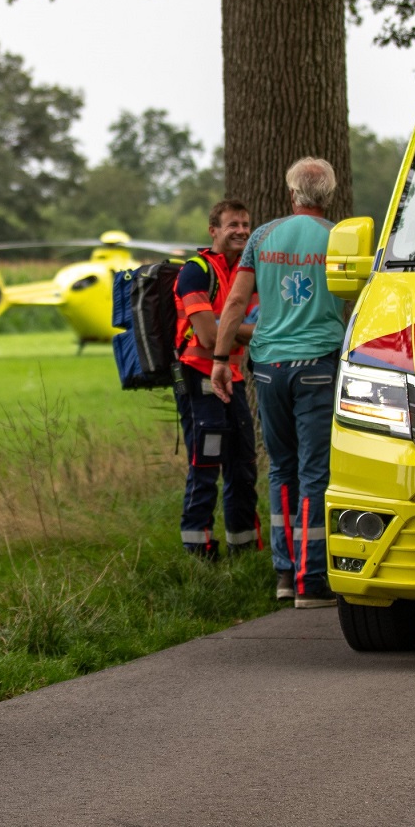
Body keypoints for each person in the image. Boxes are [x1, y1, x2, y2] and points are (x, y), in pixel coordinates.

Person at [211, 158, 346, 608]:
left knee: (282, 470)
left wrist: (219, 360)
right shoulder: (338, 238)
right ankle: (313, 580)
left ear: (291, 194)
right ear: (328, 195)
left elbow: (234, 302)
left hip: (267, 367)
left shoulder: (262, 237)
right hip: (316, 367)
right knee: (315, 472)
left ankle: (284, 575)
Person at [172, 199, 259, 559]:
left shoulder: (247, 273)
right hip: (198, 380)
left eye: (245, 224)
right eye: (232, 225)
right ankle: (198, 554)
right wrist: (248, 329)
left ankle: (245, 550)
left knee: (243, 466)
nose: (240, 230)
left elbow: (241, 329)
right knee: (205, 467)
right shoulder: (195, 271)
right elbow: (208, 338)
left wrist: (231, 327)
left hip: (232, 377)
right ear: (213, 231)